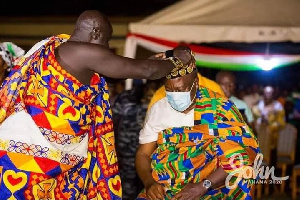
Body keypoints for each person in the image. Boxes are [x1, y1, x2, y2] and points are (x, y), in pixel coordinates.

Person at [0, 10, 193, 200]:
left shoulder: (57, 48)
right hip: (30, 150)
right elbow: (149, 71)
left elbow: (117, 71)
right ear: (96, 33)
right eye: (107, 41)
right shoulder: (82, 50)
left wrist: (142, 66)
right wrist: (177, 60)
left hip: (30, 144)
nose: (106, 47)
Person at [135, 54, 260, 200]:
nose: (175, 95)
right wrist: (149, 182)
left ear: (195, 83)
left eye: (181, 89)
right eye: (170, 90)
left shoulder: (220, 108)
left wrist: (203, 186)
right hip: (166, 189)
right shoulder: (158, 109)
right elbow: (143, 154)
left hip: (213, 188)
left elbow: (241, 153)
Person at [252, 86, 285, 167]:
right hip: (259, 140)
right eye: (266, 93)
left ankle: (269, 178)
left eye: (270, 93)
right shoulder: (258, 106)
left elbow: (281, 123)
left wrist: (269, 126)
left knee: (270, 164)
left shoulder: (278, 107)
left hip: (272, 140)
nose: (267, 95)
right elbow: (253, 121)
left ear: (273, 95)